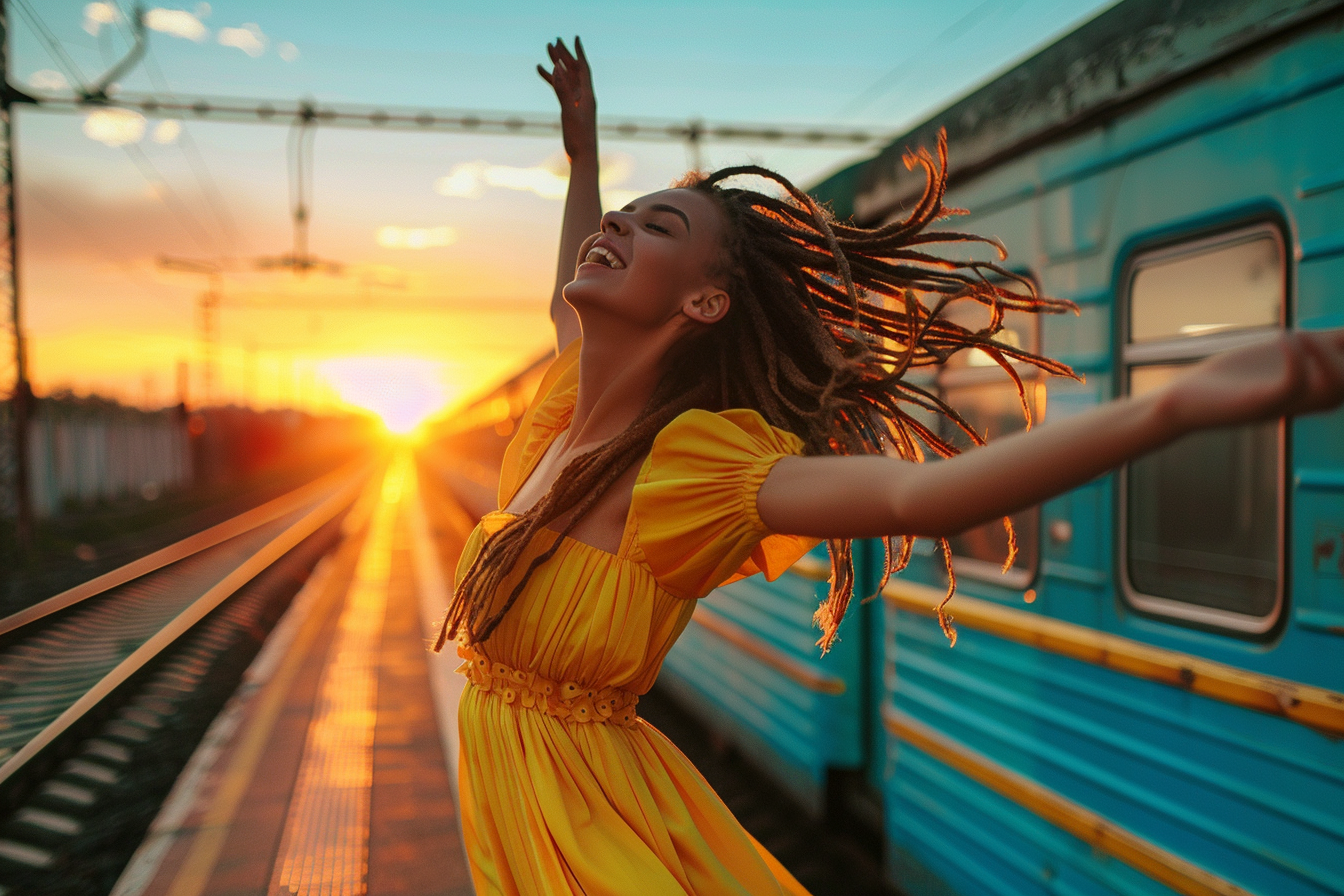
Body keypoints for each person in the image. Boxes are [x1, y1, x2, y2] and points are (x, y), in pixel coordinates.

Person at [435, 38, 1344, 896]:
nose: (617, 226)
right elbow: (569, 290)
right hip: (531, 821)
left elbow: (926, 494)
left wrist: (1179, 403)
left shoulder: (692, 475)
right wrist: (582, 156)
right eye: (617, 219)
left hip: (600, 834)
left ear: (705, 300)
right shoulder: (557, 418)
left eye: (656, 225)